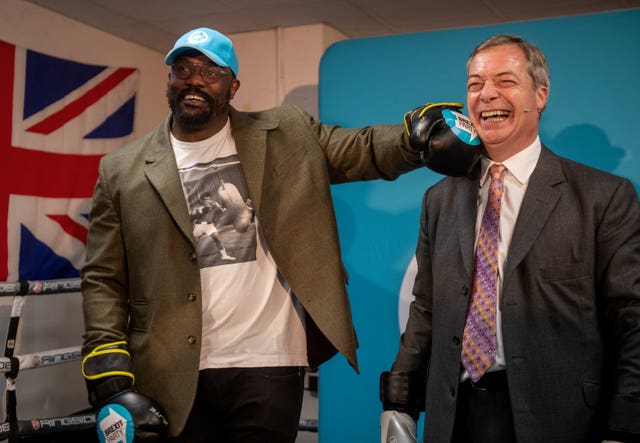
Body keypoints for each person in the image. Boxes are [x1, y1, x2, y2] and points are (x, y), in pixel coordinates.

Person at [80, 27, 472, 442]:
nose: (195, 79)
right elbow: (103, 277)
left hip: (267, 362)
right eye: (184, 69)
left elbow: (364, 148)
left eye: (210, 71)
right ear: (170, 80)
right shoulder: (121, 169)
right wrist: (109, 373)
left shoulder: (286, 132)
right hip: (167, 367)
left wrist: (416, 136)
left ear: (232, 86)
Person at [380, 34, 640, 443]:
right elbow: (426, 309)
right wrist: (399, 404)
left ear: (540, 95)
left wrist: (624, 423)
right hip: (455, 417)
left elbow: (630, 318)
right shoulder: (439, 200)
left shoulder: (602, 196)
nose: (486, 95)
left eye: (505, 81)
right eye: (474, 84)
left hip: (562, 419)